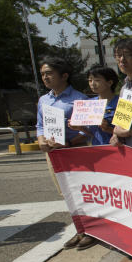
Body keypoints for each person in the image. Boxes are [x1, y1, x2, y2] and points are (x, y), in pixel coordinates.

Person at [35, 57, 95, 250]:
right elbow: (40, 125)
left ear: (64, 75)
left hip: (74, 150)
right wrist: (41, 141)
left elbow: (87, 129)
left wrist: (68, 142)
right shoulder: (43, 100)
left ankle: (92, 231)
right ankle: (80, 229)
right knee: (65, 193)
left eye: (49, 73)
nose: (44, 77)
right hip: (53, 153)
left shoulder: (79, 99)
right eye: (43, 74)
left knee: (82, 192)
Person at [69, 65, 119, 146]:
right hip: (97, 148)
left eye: (97, 80)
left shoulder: (120, 103)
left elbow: (126, 131)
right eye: (90, 80)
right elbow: (94, 133)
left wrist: (107, 129)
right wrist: (80, 128)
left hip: (117, 148)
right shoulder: (90, 103)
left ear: (109, 82)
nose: (92, 83)